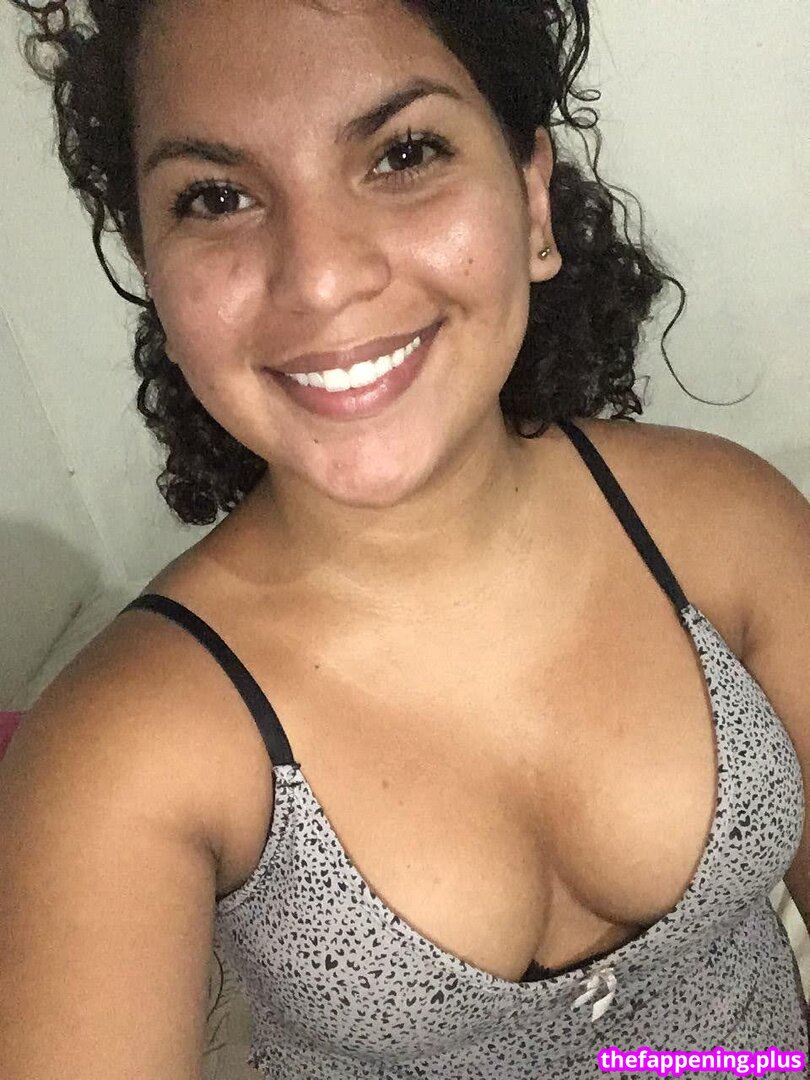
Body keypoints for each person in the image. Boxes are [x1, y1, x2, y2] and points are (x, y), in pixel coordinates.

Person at [0, 0, 808, 1076]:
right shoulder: (118, 747)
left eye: (404, 153)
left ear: (531, 197)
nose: (321, 276)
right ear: (156, 271)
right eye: (217, 197)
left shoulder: (732, 528)